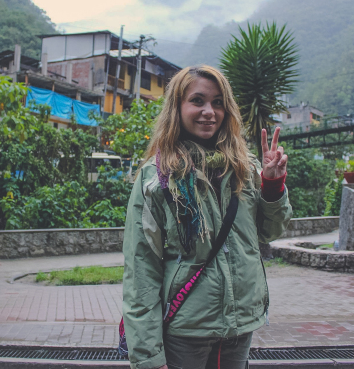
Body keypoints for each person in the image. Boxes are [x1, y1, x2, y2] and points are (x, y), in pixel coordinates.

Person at [122, 65, 292, 369]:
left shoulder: (243, 169)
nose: (209, 112)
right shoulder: (156, 179)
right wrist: (149, 356)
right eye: (197, 101)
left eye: (217, 102)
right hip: (185, 329)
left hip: (239, 325)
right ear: (177, 107)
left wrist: (272, 185)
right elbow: (141, 269)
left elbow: (268, 233)